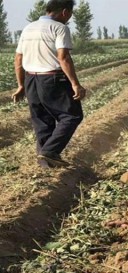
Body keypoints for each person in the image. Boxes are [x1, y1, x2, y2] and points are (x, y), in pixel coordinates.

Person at [12, 0, 86, 169]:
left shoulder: (28, 28)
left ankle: (46, 165)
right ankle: (50, 152)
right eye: (70, 14)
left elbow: (18, 58)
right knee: (72, 115)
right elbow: (63, 57)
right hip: (52, 78)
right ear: (65, 12)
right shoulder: (60, 28)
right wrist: (75, 84)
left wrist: (21, 85)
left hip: (31, 79)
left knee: (42, 121)